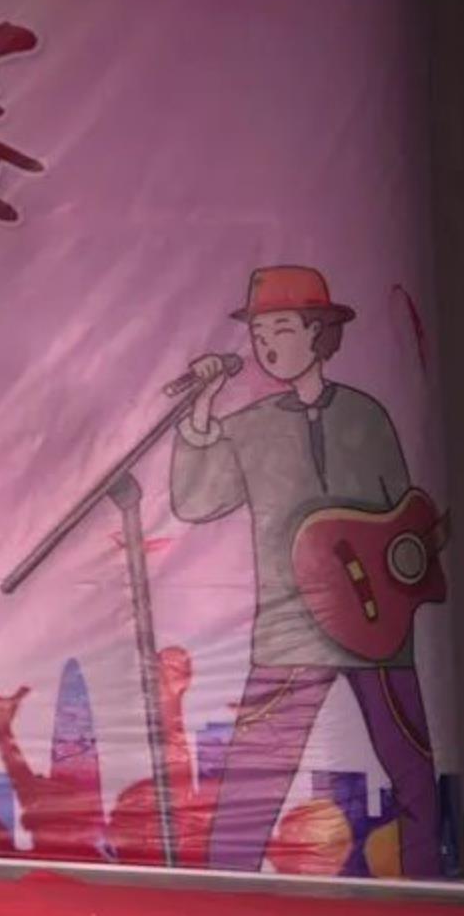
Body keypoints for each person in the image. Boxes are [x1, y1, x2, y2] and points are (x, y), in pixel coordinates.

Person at [173, 266, 437, 876]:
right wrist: (201, 416)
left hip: (377, 629)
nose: (268, 346)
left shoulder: (367, 417)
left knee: (411, 768)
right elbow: (195, 501)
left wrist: (393, 586)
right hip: (290, 629)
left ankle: (424, 888)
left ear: (318, 332)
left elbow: (405, 520)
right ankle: (222, 898)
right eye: (260, 334)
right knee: (251, 782)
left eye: (282, 330)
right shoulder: (251, 427)